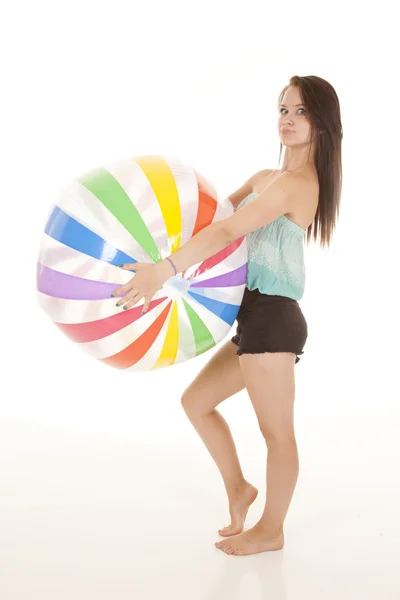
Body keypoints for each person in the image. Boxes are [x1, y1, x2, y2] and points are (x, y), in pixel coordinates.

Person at [113, 75, 343, 556]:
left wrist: (164, 270)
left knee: (277, 433)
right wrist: (153, 241)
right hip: (250, 317)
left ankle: (271, 529)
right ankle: (239, 488)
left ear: (322, 123)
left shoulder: (299, 186)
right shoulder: (266, 179)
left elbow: (225, 235)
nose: (288, 119)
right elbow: (212, 219)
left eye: (301, 112)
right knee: (196, 402)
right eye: (283, 109)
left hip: (275, 319)